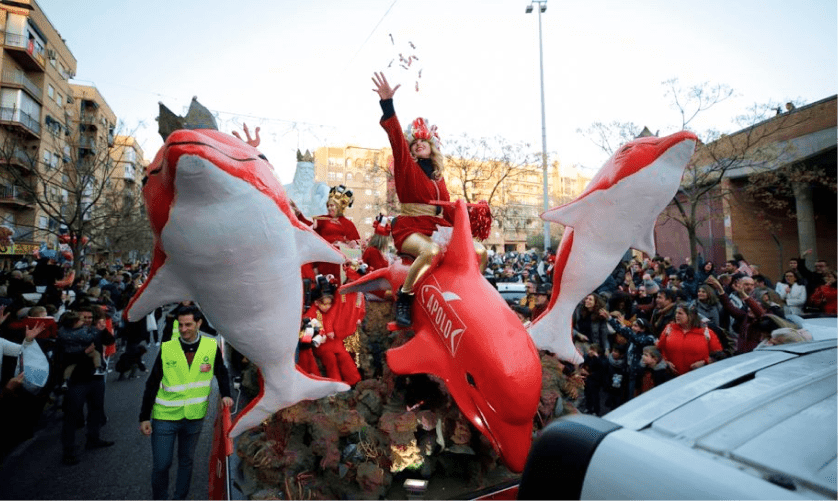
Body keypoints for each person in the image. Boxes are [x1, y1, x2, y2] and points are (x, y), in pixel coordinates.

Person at [372, 71, 487, 326]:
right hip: (411, 226)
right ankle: (405, 296)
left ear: (432, 147)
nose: (418, 145)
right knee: (431, 251)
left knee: (479, 251)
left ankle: (471, 295)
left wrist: (469, 214)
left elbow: (447, 212)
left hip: (437, 226)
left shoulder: (439, 178)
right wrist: (387, 104)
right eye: (414, 144)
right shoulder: (406, 166)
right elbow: (396, 140)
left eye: (423, 142)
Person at [139, 305, 233, 501]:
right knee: (161, 465)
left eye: (188, 324)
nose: (183, 329)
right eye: (180, 325)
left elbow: (221, 373)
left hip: (194, 417)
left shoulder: (210, 347)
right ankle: (160, 498)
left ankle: (179, 497)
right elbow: (152, 384)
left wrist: (226, 394)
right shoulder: (167, 348)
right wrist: (144, 417)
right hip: (165, 417)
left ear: (198, 323)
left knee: (186, 461)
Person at [57, 308, 115, 465]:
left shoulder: (93, 330)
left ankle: (93, 438)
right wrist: (84, 352)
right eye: (85, 317)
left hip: (95, 377)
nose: (88, 320)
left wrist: (103, 331)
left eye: (91, 317)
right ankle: (68, 451)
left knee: (96, 409)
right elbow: (63, 356)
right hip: (77, 379)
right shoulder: (67, 334)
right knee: (72, 415)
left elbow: (109, 341)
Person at [307, 185, 361, 280]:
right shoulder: (322, 219)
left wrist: (352, 244)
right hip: (324, 261)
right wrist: (298, 214)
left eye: (332, 205)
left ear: (339, 207)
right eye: (328, 206)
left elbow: (356, 247)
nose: (329, 208)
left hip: (340, 265)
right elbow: (308, 227)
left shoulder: (348, 223)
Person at [657, 303, 723, 375]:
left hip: (698, 376)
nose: (677, 316)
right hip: (673, 376)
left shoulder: (706, 332)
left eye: (680, 313)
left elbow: (718, 354)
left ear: (691, 316)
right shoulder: (669, 328)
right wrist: (666, 362)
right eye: (676, 313)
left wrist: (705, 362)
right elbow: (660, 348)